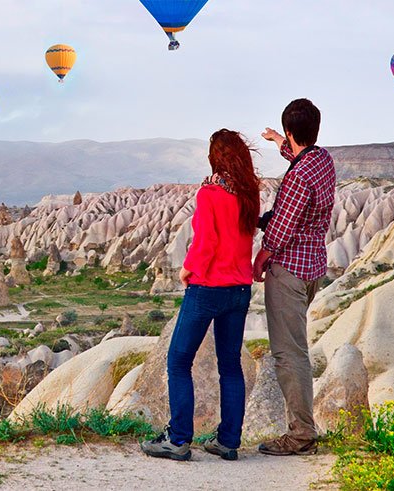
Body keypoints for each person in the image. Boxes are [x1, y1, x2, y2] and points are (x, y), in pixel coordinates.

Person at [141, 129, 261, 462]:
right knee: (230, 366)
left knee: (178, 361)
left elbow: (206, 241)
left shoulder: (210, 193)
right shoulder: (249, 193)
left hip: (208, 287)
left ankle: (178, 439)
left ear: (214, 159)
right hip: (240, 289)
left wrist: (187, 269)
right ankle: (228, 441)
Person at [254, 98, 336, 456]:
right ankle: (302, 429)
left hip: (288, 271)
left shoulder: (298, 177)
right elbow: (299, 156)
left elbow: (281, 227)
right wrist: (278, 141)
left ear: (291, 131)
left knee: (289, 354)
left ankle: (301, 434)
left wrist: (261, 256)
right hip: (312, 268)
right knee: (296, 349)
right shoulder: (322, 160)